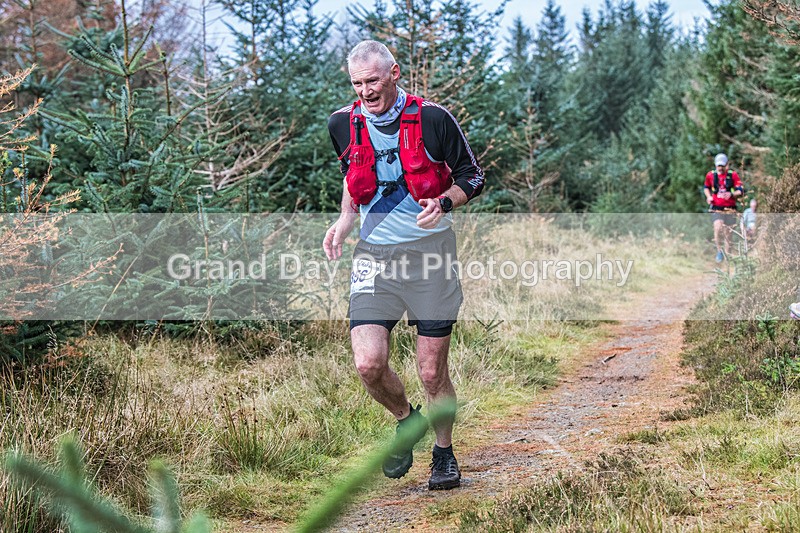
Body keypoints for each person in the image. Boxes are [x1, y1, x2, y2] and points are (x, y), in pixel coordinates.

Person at [322, 40, 484, 490]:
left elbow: (473, 175)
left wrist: (445, 202)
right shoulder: (342, 124)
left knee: (432, 371)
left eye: (373, 81)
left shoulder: (433, 119)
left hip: (431, 256)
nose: (365, 92)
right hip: (374, 258)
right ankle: (406, 420)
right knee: (368, 363)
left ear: (394, 73)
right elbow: (352, 180)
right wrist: (344, 219)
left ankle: (444, 453)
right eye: (357, 84)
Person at [704, 153, 743, 262]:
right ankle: (719, 251)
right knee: (718, 228)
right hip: (716, 207)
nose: (720, 168)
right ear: (715, 165)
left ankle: (728, 255)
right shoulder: (710, 175)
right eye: (718, 166)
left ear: (726, 165)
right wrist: (708, 197)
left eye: (722, 165)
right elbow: (706, 188)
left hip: (730, 208)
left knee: (728, 232)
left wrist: (732, 194)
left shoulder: (733, 175)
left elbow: (740, 190)